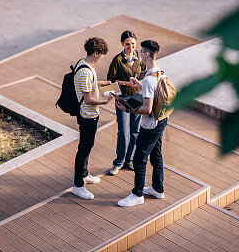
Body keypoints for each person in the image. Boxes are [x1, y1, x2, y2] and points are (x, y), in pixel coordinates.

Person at [117, 40, 168, 207]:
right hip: (162, 119)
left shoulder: (148, 79)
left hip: (151, 124)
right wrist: (138, 84)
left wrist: (127, 109)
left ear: (146, 54)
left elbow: (147, 108)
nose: (138, 54)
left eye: (140, 51)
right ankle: (157, 189)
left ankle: (137, 194)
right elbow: (152, 92)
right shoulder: (158, 71)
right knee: (156, 154)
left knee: (139, 159)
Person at [72, 37, 113, 200]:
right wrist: (104, 101)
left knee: (88, 146)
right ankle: (78, 185)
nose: (101, 58)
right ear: (96, 53)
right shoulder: (86, 71)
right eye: (101, 54)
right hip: (88, 115)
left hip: (88, 115)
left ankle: (84, 174)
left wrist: (103, 83)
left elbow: (88, 85)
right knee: (84, 148)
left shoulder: (84, 63)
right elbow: (88, 99)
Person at [107, 30, 146, 175]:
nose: (131, 47)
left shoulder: (139, 57)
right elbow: (111, 81)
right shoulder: (117, 60)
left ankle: (130, 160)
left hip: (137, 97)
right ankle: (118, 162)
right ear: (122, 44)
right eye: (128, 44)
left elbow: (142, 71)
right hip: (123, 98)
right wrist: (125, 83)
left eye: (133, 44)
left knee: (135, 130)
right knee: (123, 132)